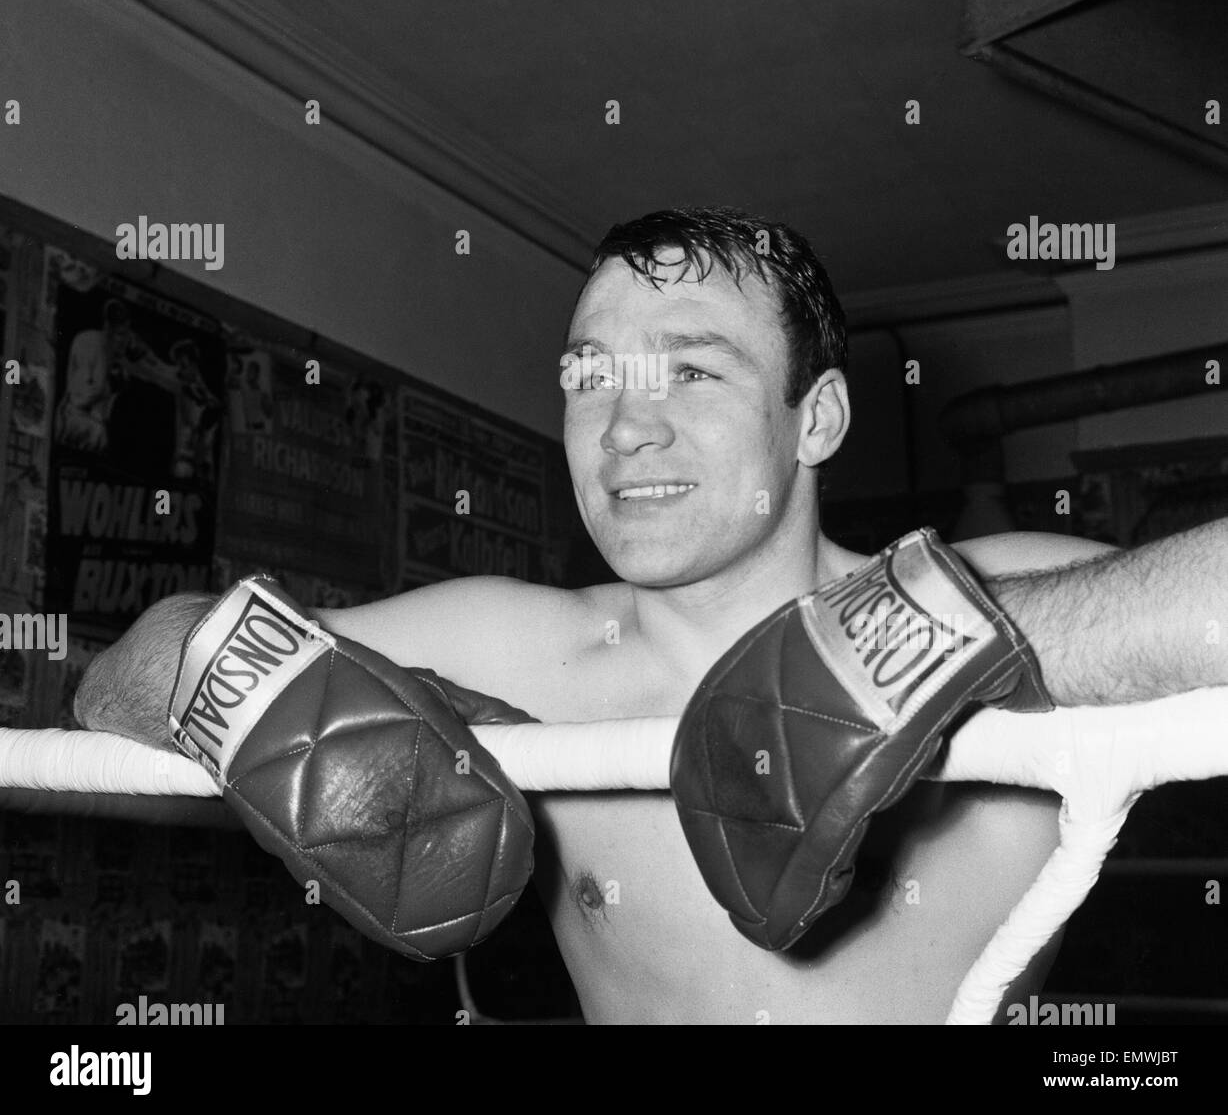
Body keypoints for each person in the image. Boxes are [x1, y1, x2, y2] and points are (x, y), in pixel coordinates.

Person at [74, 207, 1227, 1024]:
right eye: (590, 377)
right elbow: (111, 691)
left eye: (691, 372)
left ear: (815, 418)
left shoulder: (1003, 581)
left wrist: (912, 647)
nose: (625, 428)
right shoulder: (524, 649)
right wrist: (236, 686)